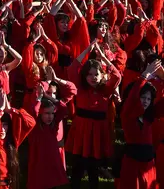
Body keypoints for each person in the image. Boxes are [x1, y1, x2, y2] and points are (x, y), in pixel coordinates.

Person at [66, 41, 122, 189]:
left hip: (97, 131)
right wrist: (88, 50)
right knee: (78, 165)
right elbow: (72, 68)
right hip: (82, 129)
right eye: (89, 74)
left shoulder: (105, 90)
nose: (92, 77)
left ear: (101, 75)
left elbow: (117, 76)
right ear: (84, 76)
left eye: (96, 74)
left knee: (93, 166)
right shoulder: (81, 88)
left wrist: (103, 57)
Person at [118, 60, 161, 189]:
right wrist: (144, 76)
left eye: (148, 99)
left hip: (148, 164)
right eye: (143, 98)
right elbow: (132, 99)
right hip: (132, 164)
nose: (146, 101)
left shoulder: (149, 116)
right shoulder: (128, 115)